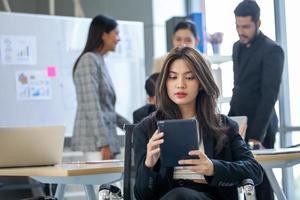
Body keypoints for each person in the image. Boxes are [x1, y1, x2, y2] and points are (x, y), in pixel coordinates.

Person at [134, 46, 263, 200]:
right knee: (178, 196)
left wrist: (213, 168)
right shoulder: (146, 128)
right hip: (168, 197)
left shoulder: (223, 125)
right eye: (173, 77)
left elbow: (255, 171)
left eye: (189, 77)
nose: (180, 84)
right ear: (165, 82)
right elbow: (142, 195)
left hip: (209, 196)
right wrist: (149, 165)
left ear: (201, 83)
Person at [228, 1, 284, 199]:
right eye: (237, 26)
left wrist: (256, 135)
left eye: (245, 26)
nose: (240, 31)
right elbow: (238, 87)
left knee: (261, 179)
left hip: (262, 125)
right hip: (238, 121)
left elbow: (269, 95)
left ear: (258, 23)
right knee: (239, 177)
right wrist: (229, 121)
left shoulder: (272, 50)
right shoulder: (237, 47)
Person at [71, 14, 129, 160]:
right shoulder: (89, 60)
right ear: (104, 35)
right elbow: (92, 105)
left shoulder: (99, 60)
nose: (119, 38)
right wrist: (104, 144)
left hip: (104, 141)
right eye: (116, 33)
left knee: (110, 183)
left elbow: (106, 110)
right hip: (94, 143)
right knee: (103, 183)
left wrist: (133, 128)